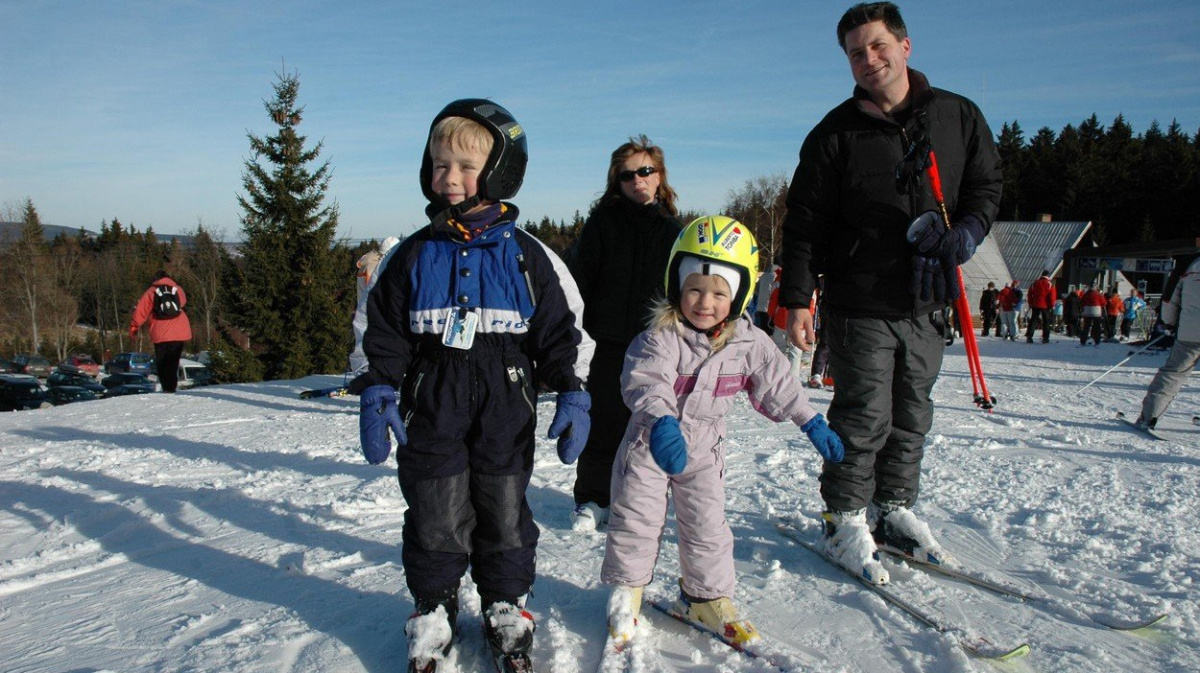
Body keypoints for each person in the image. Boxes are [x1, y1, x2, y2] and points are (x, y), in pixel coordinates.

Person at [356, 99, 594, 671]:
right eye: (440, 165)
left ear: (500, 170)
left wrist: (572, 388)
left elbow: (564, 328)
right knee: (436, 508)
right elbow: (380, 327)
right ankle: (433, 604)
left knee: (504, 508)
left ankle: (506, 600)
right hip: (432, 399)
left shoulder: (528, 256)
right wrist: (377, 387)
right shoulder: (412, 254)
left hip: (505, 401)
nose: (450, 178)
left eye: (465, 166)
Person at [777, 2, 1002, 584]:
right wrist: (797, 298)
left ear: (905, 46)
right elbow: (805, 221)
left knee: (912, 414)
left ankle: (893, 507)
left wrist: (971, 230)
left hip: (928, 300)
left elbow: (986, 183)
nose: (868, 59)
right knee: (863, 415)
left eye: (877, 45)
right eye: (856, 52)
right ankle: (843, 517)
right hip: (860, 300)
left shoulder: (958, 116)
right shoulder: (834, 134)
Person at [601, 216, 844, 648]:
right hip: (651, 442)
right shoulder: (661, 335)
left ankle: (705, 597)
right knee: (637, 518)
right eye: (693, 287)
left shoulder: (749, 343)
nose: (704, 301)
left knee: (707, 524)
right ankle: (628, 590)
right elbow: (646, 379)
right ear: (676, 286)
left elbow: (779, 384)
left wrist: (810, 420)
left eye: (719, 292)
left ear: (740, 294)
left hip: (704, 448)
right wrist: (661, 421)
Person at [566, 135, 682, 531]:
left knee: (650, 424)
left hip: (655, 343)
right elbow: (579, 278)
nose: (638, 180)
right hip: (608, 339)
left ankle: (634, 500)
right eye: (627, 175)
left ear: (659, 176)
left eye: (645, 171)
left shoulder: (673, 230)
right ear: (617, 182)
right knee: (604, 421)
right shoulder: (603, 222)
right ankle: (593, 499)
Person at [1135, 257, 1200, 430]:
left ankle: (1149, 417)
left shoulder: (1189, 264)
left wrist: (1169, 323)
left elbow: (1169, 300)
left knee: (1173, 374)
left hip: (1190, 332)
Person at [129, 270, 192, 393]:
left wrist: (134, 326)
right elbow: (183, 302)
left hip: (160, 331)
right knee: (173, 361)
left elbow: (141, 310)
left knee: (162, 361)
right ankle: (172, 386)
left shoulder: (152, 291)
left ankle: (166, 387)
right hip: (180, 331)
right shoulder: (177, 289)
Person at [348, 236, 400, 375]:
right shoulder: (375, 267)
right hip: (373, 312)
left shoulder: (370, 262)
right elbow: (376, 291)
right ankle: (366, 373)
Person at [1025, 270, 1054, 344]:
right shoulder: (1049, 284)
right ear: (1048, 276)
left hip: (1035, 304)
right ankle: (1045, 338)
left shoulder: (1035, 283)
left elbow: (1029, 294)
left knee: (1033, 320)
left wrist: (1031, 303)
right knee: (1046, 321)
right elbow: (1052, 296)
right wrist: (1051, 305)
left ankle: (1029, 336)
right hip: (1045, 305)